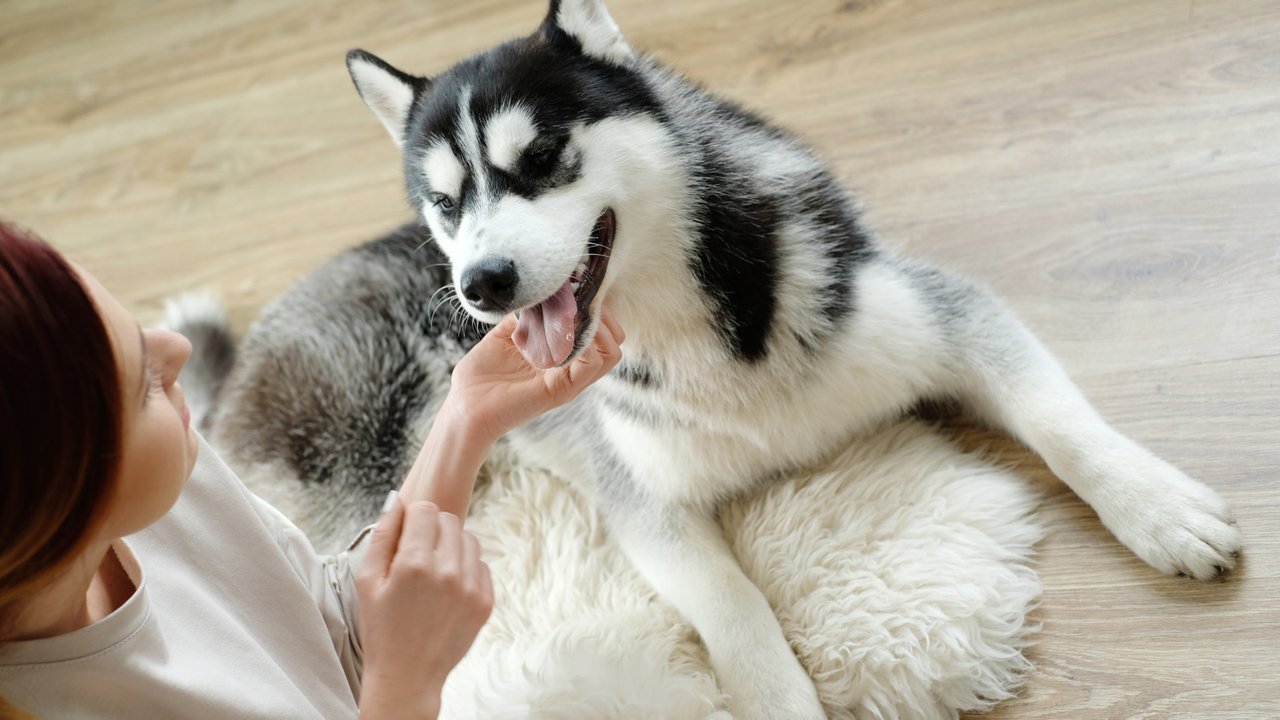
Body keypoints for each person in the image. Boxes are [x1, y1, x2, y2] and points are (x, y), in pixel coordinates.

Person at [0, 220, 624, 719]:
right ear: (56, 506)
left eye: (134, 330)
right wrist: (403, 690)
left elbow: (316, 633)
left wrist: (465, 420)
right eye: (141, 388)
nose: (177, 350)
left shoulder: (166, 484)